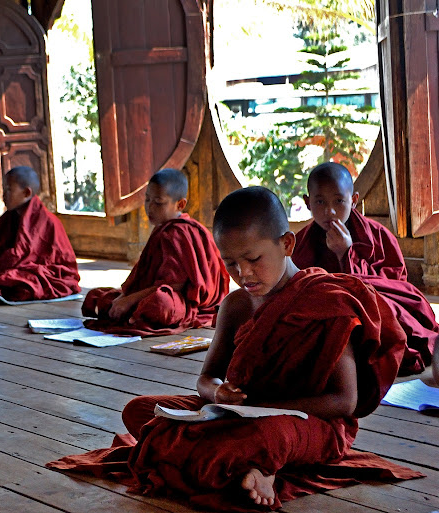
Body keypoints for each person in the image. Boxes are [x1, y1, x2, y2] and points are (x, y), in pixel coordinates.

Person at [47, 187, 421, 511]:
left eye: (254, 259)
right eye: (230, 263)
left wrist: (263, 412)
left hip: (305, 422)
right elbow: (205, 379)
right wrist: (219, 394)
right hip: (236, 413)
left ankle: (254, 463)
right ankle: (249, 467)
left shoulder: (323, 301)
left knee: (266, 438)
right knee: (140, 411)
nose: (243, 273)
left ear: (287, 244)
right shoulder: (237, 305)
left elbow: (344, 402)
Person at [292, 162, 439, 375]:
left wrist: (346, 254)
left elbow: (396, 287)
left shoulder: (379, 235)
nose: (329, 211)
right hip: (326, 313)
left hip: (367, 310)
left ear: (353, 201)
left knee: (392, 315)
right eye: (320, 201)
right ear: (307, 202)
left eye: (339, 201)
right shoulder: (300, 242)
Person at [82, 169, 229, 336]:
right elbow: (142, 279)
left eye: (158, 202)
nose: (149, 207)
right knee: (97, 296)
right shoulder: (162, 230)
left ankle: (134, 312)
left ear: (180, 204)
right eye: (147, 200)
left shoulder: (179, 233)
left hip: (183, 301)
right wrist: (124, 297)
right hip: (151, 293)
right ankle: (135, 313)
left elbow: (175, 285)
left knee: (160, 304)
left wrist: (129, 300)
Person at [0, 166, 80, 302]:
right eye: (4, 189)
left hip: (48, 272)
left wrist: (4, 267)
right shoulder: (9, 218)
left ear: (26, 193)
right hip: (11, 267)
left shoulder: (45, 220)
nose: (3, 194)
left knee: (20, 284)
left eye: (9, 189)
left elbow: (26, 256)